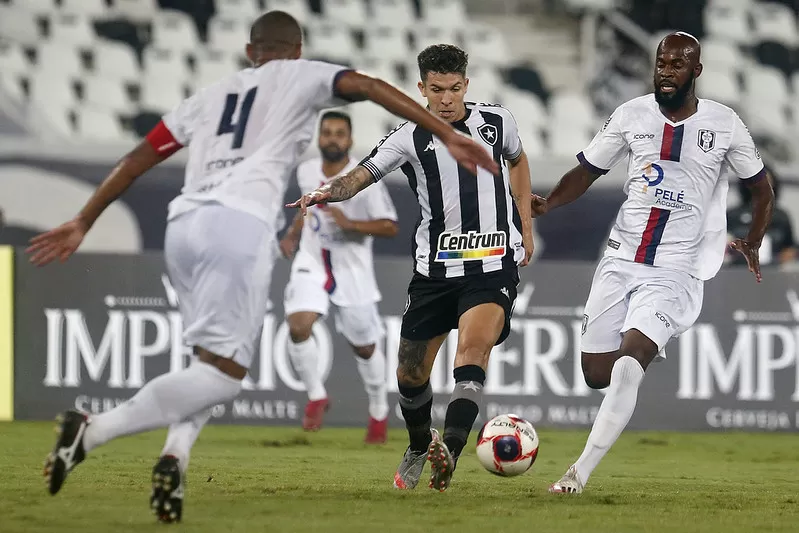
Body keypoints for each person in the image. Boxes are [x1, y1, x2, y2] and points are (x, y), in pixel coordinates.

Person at [25, 12, 498, 522]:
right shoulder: (298, 75)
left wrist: (83, 219)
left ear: (251, 53)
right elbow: (364, 84)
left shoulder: (208, 95)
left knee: (205, 361)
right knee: (224, 377)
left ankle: (175, 456)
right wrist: (446, 134)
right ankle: (91, 431)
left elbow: (140, 157)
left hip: (182, 226)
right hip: (238, 227)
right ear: (296, 52)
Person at [530, 32, 774, 494]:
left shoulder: (724, 124)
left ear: (696, 71)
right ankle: (642, 349)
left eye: (677, 64)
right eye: (661, 62)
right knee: (596, 373)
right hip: (621, 259)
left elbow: (761, 187)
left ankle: (576, 474)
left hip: (676, 271)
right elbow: (588, 169)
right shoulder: (631, 114)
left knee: (627, 364)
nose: (666, 70)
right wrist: (551, 203)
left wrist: (754, 238)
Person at [288, 44, 534, 492]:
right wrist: (326, 192)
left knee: (472, 355)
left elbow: (518, 162)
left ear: (466, 84)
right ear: (421, 87)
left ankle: (452, 453)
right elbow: (359, 177)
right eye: (436, 89)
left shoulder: (498, 122)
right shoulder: (407, 136)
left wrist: (525, 223)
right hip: (435, 274)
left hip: (492, 265)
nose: (446, 99)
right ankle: (421, 443)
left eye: (455, 88)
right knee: (409, 376)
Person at [279, 111, 398, 442]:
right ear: (319, 138)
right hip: (312, 261)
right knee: (298, 325)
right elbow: (308, 210)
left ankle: (378, 411)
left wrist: (352, 225)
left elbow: (390, 225)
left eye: (339, 133)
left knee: (365, 347)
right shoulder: (306, 171)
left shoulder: (364, 179)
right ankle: (317, 396)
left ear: (350, 140)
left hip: (352, 270)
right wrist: (292, 232)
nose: (332, 138)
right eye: (327, 132)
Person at [726, 164, 797, 266]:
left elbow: (790, 247)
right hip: (737, 270)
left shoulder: (781, 216)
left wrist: (788, 254)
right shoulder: (733, 214)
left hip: (773, 272)